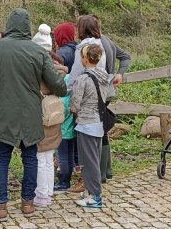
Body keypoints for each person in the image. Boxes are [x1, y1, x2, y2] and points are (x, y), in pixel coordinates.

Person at [0, 9, 67, 221]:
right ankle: (27, 203)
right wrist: (62, 90)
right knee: (30, 158)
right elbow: (56, 83)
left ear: (9, 24)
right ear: (27, 26)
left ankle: (0, 206)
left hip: (4, 112)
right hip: (30, 112)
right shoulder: (37, 50)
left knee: (2, 158)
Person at [67, 15, 131, 183]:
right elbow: (126, 57)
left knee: (92, 133)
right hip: (105, 91)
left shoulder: (87, 47)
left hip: (93, 92)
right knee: (101, 131)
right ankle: (105, 171)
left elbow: (75, 75)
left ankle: (95, 176)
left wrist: (65, 91)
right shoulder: (105, 42)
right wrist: (119, 74)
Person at [69, 44, 109, 208]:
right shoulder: (104, 75)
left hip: (86, 123)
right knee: (94, 159)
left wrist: (72, 109)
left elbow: (74, 105)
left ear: (85, 58)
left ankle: (95, 196)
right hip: (98, 122)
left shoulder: (83, 79)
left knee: (89, 162)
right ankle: (90, 192)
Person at [32, 29, 64, 208]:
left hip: (40, 115)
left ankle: (42, 195)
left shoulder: (37, 67)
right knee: (49, 156)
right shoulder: (58, 66)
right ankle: (49, 191)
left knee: (40, 157)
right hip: (54, 114)